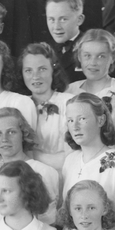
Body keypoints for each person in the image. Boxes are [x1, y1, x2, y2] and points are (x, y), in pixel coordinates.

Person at [60, 92, 115, 230]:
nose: (76, 127)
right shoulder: (70, 161)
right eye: (71, 121)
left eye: (82, 119)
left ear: (101, 120)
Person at [67, 28, 115, 149]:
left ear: (112, 57)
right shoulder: (70, 91)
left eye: (101, 56)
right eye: (87, 56)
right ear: (79, 57)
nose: (93, 62)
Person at [0, 108, 60, 225]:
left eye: (11, 132)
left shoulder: (44, 171)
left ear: (23, 134)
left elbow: (49, 221)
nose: (4, 139)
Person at [20, 42, 73, 171]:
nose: (35, 76)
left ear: (53, 70)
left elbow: (71, 158)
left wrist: (32, 156)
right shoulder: (19, 105)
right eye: (28, 70)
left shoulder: (69, 103)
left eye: (42, 69)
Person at [40, 0, 88, 87]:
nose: (56, 27)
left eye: (63, 19)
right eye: (51, 19)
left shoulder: (90, 47)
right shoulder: (43, 49)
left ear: (79, 20)